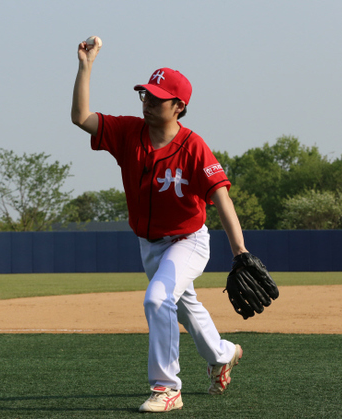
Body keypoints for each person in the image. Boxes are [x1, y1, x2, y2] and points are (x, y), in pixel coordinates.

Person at [71, 37, 245, 413]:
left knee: (157, 299)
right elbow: (81, 117)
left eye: (157, 98)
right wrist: (86, 66)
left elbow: (221, 198)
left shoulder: (194, 146)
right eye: (145, 95)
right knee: (185, 307)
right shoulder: (128, 132)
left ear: (179, 106)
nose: (148, 103)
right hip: (150, 245)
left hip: (189, 241)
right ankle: (223, 353)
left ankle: (167, 387)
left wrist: (240, 252)